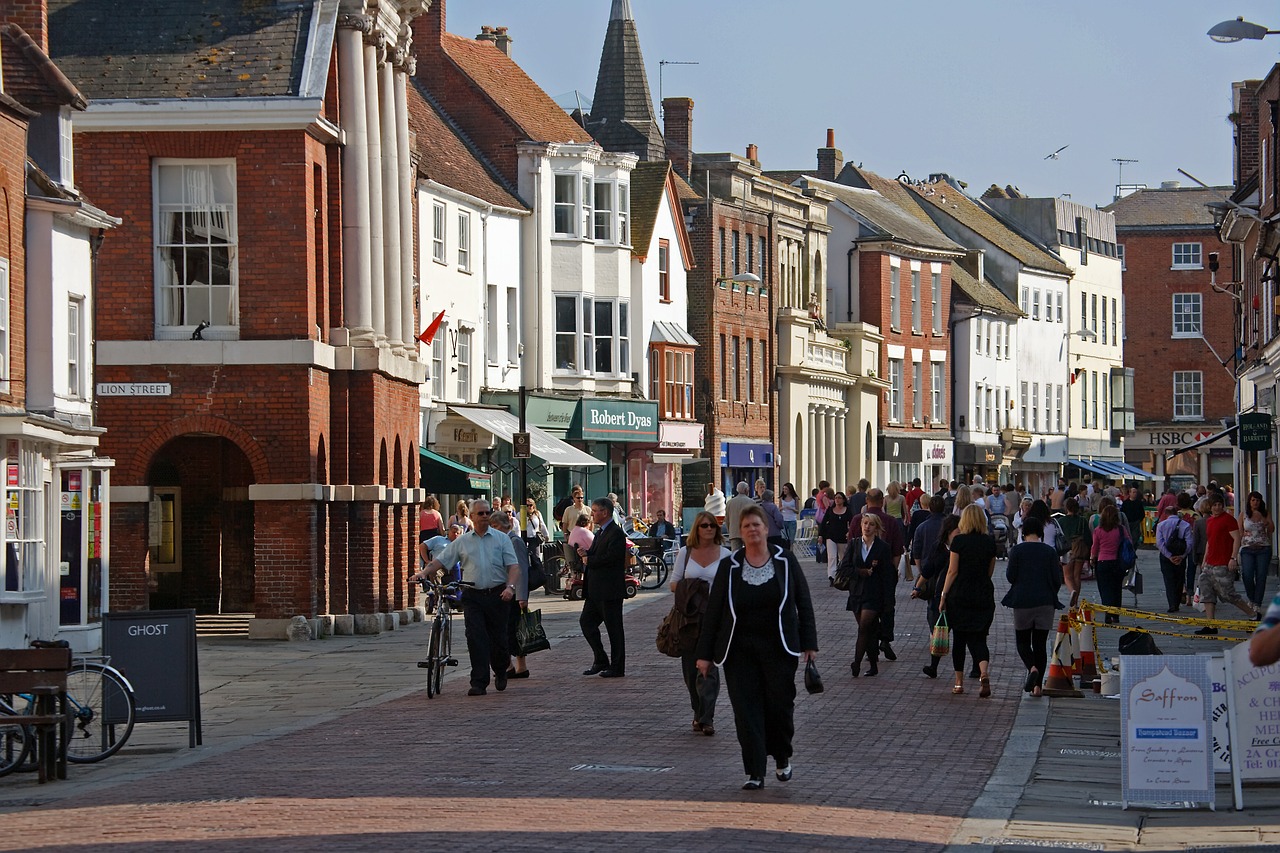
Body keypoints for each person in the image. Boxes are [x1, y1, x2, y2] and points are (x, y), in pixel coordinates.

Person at [696, 505, 818, 790]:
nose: (752, 530)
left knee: (780, 707)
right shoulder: (730, 565)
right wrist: (704, 655)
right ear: (740, 532)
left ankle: (782, 757)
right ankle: (754, 771)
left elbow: (804, 602)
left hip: (779, 647)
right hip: (739, 650)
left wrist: (809, 643)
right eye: (746, 526)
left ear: (766, 529)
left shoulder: (784, 561)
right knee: (746, 710)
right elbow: (714, 611)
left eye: (756, 525)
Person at [412, 499, 519, 696]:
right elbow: (441, 561)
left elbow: (513, 566)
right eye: (481, 513)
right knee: (476, 637)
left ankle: (501, 669)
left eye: (488, 512)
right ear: (471, 517)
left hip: (498, 594)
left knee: (498, 640)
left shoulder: (501, 539)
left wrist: (510, 587)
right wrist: (423, 573)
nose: (485, 516)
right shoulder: (462, 541)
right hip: (473, 595)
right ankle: (479, 682)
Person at [670, 510, 730, 737]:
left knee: (710, 669)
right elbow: (673, 584)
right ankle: (698, 711)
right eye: (704, 525)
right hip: (690, 618)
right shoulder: (685, 553)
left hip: (714, 617)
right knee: (690, 669)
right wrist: (695, 585)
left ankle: (707, 718)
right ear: (697, 528)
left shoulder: (725, 555)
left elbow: (730, 586)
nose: (708, 529)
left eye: (712, 526)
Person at [939, 505, 997, 698]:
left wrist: (943, 595)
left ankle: (958, 683)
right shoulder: (989, 542)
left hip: (960, 594)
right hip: (983, 594)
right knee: (979, 638)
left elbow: (952, 571)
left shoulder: (959, 541)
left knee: (960, 640)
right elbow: (989, 572)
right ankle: (983, 672)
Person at [1001, 516, 1062, 698]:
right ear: (1041, 532)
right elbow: (1056, 580)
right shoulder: (1049, 552)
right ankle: (1038, 687)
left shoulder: (1017, 551)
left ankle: (1032, 668)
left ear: (1024, 532)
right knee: (1040, 644)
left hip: (1022, 600)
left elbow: (1011, 577)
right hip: (1045, 602)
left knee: (1022, 641)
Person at [849, 488, 906, 660]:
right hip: (884, 573)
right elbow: (897, 550)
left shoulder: (858, 520)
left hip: (861, 576)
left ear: (867, 500)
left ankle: (870, 642)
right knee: (887, 607)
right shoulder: (890, 520)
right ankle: (885, 640)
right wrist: (892, 570)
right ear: (882, 501)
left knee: (865, 609)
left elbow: (851, 546)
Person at [1195, 493, 1260, 634]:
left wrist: (1233, 558)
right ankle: (1211, 624)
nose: (1217, 507)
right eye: (1215, 505)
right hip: (1210, 563)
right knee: (1206, 592)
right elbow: (1209, 542)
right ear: (1210, 507)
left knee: (1228, 594)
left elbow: (1237, 538)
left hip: (1223, 563)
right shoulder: (1210, 521)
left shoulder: (1228, 520)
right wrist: (1205, 560)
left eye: (1219, 505)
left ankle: (1253, 615)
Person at [841, 513, 894, 677]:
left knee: (864, 627)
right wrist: (861, 572)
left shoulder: (883, 547)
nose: (867, 527)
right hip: (856, 592)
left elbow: (888, 575)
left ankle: (856, 663)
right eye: (865, 523)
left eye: (871, 524)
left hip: (874, 593)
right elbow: (843, 568)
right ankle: (873, 664)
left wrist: (889, 600)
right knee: (868, 631)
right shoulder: (854, 544)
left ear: (876, 527)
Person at [580, 497, 628, 677]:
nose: (592, 514)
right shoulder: (600, 532)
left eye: (595, 511)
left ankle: (617, 666)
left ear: (605, 512)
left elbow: (612, 558)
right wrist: (586, 554)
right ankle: (600, 659)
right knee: (586, 623)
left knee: (614, 629)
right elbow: (596, 553)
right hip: (595, 590)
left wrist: (590, 559)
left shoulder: (615, 533)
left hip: (609, 590)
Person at [489, 511, 533, 679]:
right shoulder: (501, 541)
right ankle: (513, 667)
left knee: (513, 630)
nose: (493, 529)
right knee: (509, 630)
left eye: (496, 526)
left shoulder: (514, 541)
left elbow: (520, 568)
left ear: (506, 525)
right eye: (491, 527)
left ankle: (518, 667)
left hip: (513, 593)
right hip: (504, 591)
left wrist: (522, 596)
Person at [916, 512, 961, 679]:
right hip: (940, 592)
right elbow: (929, 569)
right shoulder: (939, 548)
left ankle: (974, 669)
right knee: (940, 629)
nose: (959, 535)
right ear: (948, 532)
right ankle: (933, 666)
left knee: (960, 633)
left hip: (958, 593)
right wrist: (918, 587)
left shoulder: (962, 547)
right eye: (957, 532)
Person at [1088, 504, 1131, 624]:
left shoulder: (1098, 531)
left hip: (1102, 562)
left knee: (1104, 588)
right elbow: (1129, 542)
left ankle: (1108, 612)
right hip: (1117, 562)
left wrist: (1092, 559)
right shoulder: (1121, 529)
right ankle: (1116, 614)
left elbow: (1095, 547)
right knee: (1117, 588)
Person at [1239, 491, 1275, 613]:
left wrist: (1266, 521)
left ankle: (1257, 603)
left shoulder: (1265, 513)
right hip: (1247, 548)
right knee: (1247, 575)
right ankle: (1251, 598)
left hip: (1263, 548)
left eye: (1258, 500)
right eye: (1253, 500)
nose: (1255, 503)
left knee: (1261, 576)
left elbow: (1271, 530)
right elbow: (1239, 531)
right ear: (1249, 501)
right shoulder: (1244, 514)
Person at [1155, 504, 1194, 614]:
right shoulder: (1185, 525)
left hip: (1166, 555)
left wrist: (1168, 556)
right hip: (1180, 554)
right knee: (1179, 579)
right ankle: (1176, 602)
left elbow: (1160, 543)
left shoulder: (1161, 525)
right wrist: (1182, 556)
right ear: (1177, 513)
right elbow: (1189, 543)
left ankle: (1172, 603)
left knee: (1169, 580)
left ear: (1166, 514)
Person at [1056, 497, 1092, 608]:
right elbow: (1088, 539)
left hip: (1067, 551)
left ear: (1066, 508)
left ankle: (1072, 592)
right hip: (1080, 550)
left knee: (1067, 576)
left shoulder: (1061, 521)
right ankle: (1075, 602)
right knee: (1077, 576)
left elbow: (1058, 538)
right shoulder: (1082, 520)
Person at [818, 491, 852, 583]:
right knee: (832, 556)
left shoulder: (848, 510)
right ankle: (832, 576)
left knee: (843, 557)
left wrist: (850, 532)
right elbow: (824, 523)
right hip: (831, 536)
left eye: (839, 498)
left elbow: (852, 522)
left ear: (843, 499)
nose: (837, 500)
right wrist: (820, 535)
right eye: (836, 498)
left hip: (843, 537)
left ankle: (842, 575)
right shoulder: (830, 510)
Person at [725, 482, 755, 550]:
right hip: (748, 532)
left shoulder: (730, 503)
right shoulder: (751, 502)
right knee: (749, 553)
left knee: (735, 555)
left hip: (734, 532)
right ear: (746, 490)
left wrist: (730, 531)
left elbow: (727, 519)